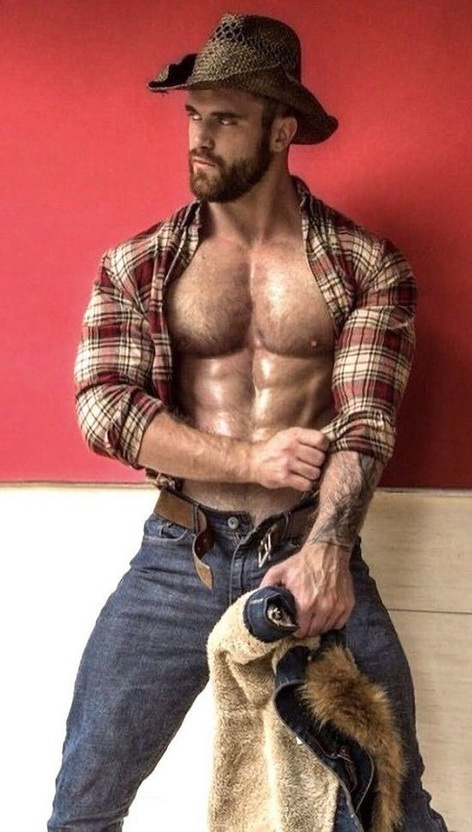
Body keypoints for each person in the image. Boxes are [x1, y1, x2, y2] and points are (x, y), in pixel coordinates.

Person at [48, 13, 448, 832]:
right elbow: (105, 408)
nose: (199, 139)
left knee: (397, 810)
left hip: (309, 551)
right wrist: (252, 458)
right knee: (82, 805)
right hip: (178, 560)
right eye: (194, 116)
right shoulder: (139, 264)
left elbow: (365, 420)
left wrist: (328, 552)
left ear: (281, 129)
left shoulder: (363, 264)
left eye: (226, 119)